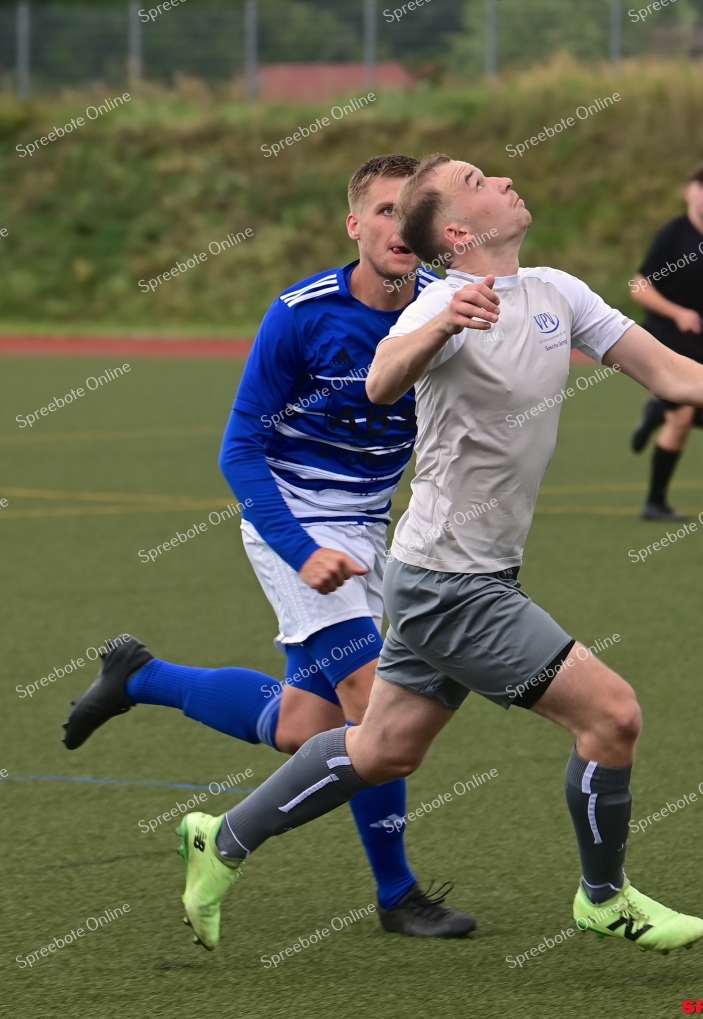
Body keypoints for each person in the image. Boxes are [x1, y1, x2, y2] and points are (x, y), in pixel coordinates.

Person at [172, 154, 703, 955]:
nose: (505, 182)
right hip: (450, 584)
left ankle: (221, 839)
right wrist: (441, 325)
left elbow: (658, 368)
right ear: (456, 232)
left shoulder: (556, 291)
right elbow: (381, 380)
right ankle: (602, 898)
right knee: (612, 715)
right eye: (479, 182)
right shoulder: (438, 303)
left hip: (443, 572)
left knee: (382, 748)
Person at [62, 154, 475, 942]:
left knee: (300, 726)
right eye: (384, 211)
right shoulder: (299, 313)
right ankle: (397, 894)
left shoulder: (443, 304)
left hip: (371, 528)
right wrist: (299, 550)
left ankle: (140, 677)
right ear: (353, 225)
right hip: (295, 521)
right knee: (374, 709)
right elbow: (239, 450)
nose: (400, 227)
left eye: (413, 213)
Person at [628, 162, 703, 520]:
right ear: (688, 193)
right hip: (664, 336)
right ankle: (655, 503)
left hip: (700, 339)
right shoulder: (673, 234)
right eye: (702, 186)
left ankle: (657, 411)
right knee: (683, 414)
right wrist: (676, 313)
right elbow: (638, 287)